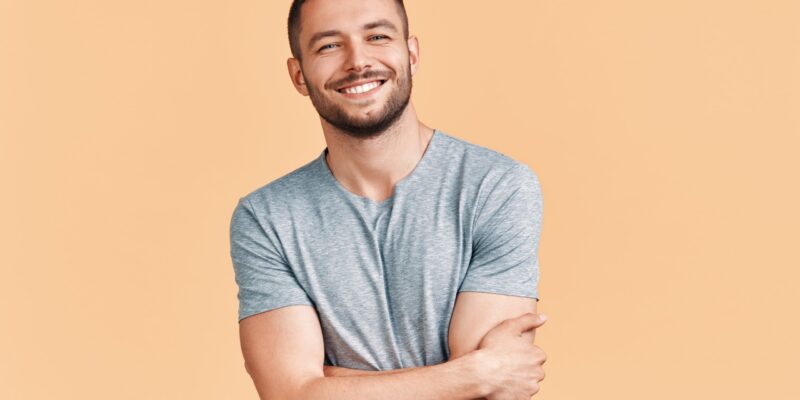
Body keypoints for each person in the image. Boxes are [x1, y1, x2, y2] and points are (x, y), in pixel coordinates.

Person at [229, 0, 548, 398]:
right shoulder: (266, 218)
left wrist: (326, 384)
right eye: (329, 45)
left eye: (377, 36)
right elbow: (288, 394)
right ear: (298, 75)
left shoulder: (496, 187)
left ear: (411, 54)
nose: (357, 61)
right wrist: (473, 373)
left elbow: (490, 396)